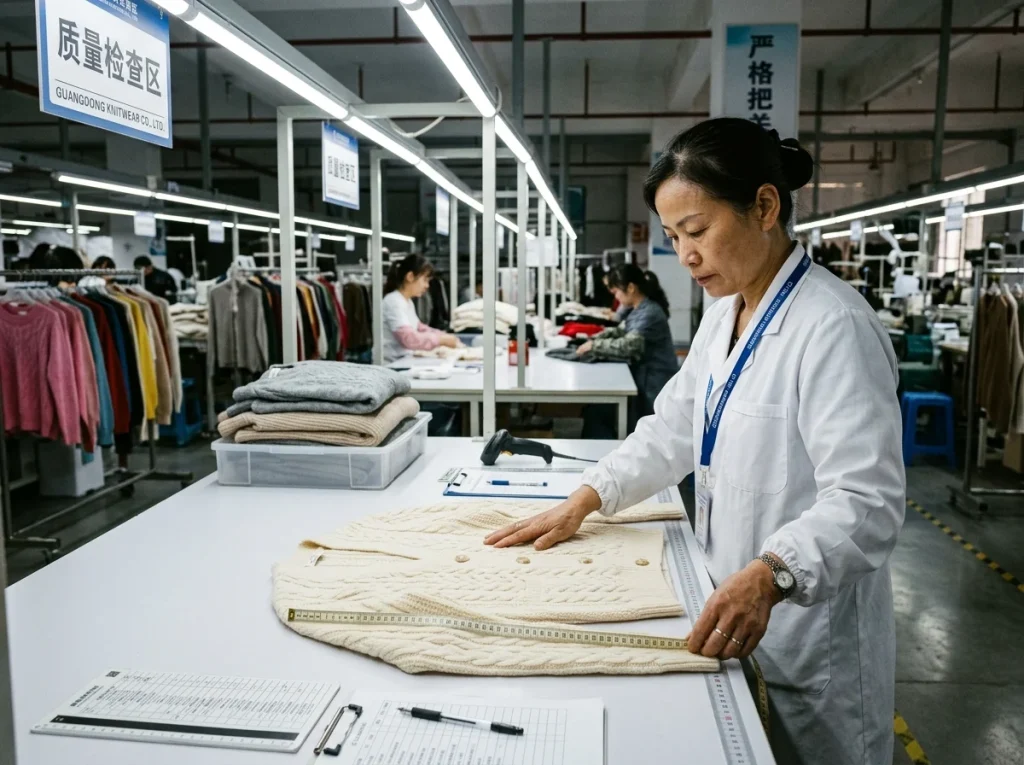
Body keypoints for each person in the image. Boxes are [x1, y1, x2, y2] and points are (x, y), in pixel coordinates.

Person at [485, 118, 905, 765]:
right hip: (728, 607)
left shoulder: (832, 326)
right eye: (674, 235)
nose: (684, 254)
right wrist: (590, 495)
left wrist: (771, 574)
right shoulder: (724, 312)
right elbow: (675, 425)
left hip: (802, 636)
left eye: (698, 230)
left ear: (764, 206)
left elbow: (867, 500)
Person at [577, 263, 677, 427]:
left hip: (654, 383)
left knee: (646, 428)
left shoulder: (650, 312)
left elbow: (629, 345)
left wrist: (594, 346)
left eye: (616, 291)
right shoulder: (638, 309)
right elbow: (621, 331)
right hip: (643, 376)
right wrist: (593, 339)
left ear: (630, 288)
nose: (615, 297)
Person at [382, 254, 460, 363]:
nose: (427, 286)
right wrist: (441, 340)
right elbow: (409, 339)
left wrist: (444, 336)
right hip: (393, 365)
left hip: (404, 361)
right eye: (425, 280)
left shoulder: (407, 301)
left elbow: (420, 328)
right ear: (410, 277)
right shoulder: (393, 301)